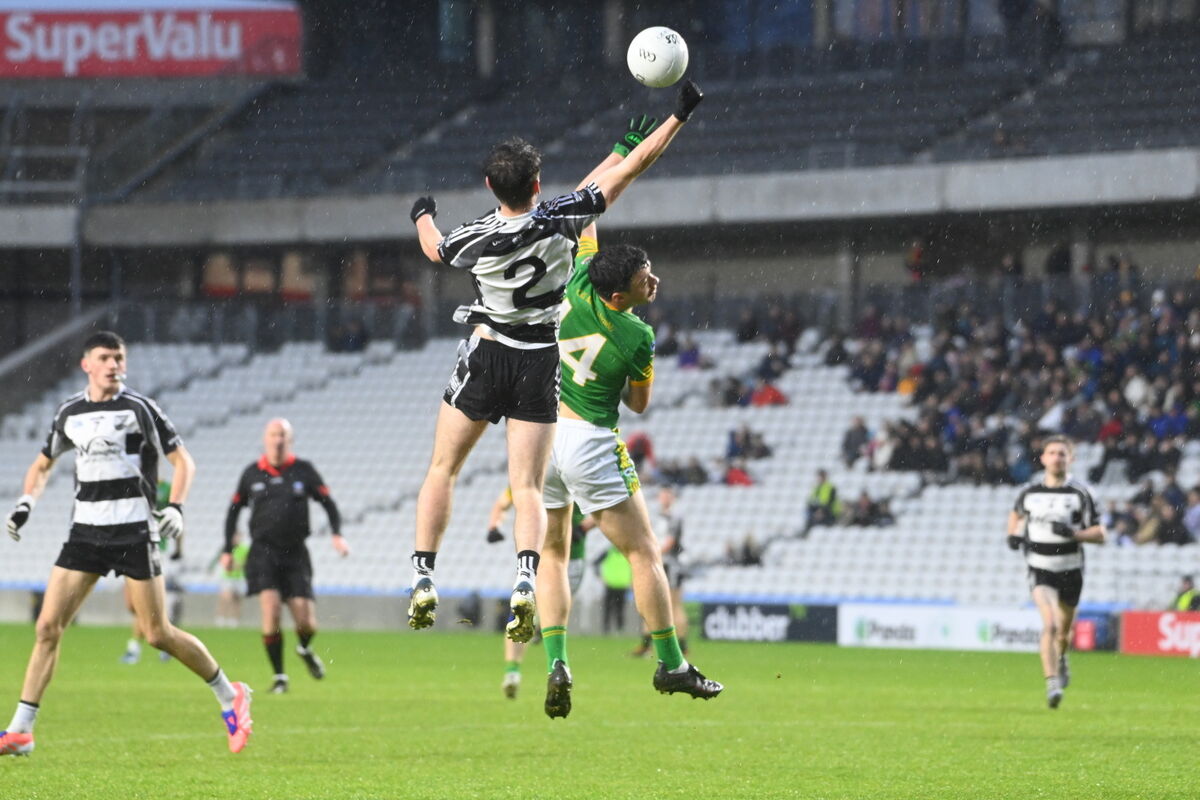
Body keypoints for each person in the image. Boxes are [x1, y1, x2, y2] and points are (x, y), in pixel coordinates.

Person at [405, 80, 705, 644]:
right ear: (539, 185)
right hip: (538, 361)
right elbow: (623, 175)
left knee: (443, 468)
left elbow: (434, 246)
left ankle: (423, 574)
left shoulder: (475, 238)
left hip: (487, 351)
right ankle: (524, 579)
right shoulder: (560, 220)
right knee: (527, 484)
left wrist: (422, 213)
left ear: (492, 186)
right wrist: (676, 117)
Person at [1, 331, 252, 756]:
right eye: (106, 357)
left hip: (134, 531)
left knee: (157, 633)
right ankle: (21, 729)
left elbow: (182, 461)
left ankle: (231, 696)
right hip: (85, 532)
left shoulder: (139, 407)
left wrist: (177, 507)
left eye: (120, 357)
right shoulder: (70, 413)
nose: (115, 364)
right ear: (87, 365)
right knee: (47, 627)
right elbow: (42, 464)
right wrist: (27, 501)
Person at [537, 220, 723, 719]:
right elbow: (639, 405)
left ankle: (557, 662)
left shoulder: (577, 282)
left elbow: (587, 220)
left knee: (552, 554)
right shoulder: (636, 333)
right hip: (590, 441)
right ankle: (672, 664)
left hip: (541, 436)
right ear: (619, 296)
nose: (654, 281)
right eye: (645, 280)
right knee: (644, 553)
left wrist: (613, 165)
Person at [223, 418, 350, 694]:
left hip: (296, 553)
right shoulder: (251, 474)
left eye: (283, 435)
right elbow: (233, 511)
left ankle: (304, 648)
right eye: (273, 434)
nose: (278, 439)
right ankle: (280, 677)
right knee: (270, 612)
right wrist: (227, 549)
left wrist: (337, 534)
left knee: (306, 622)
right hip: (263, 553)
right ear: (265, 438)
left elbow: (329, 503)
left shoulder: (303, 471)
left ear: (289, 440)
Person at [1007, 435, 1106, 710]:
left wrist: (1075, 534)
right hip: (1040, 568)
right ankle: (1052, 683)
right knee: (1049, 624)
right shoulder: (1030, 492)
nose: (1057, 458)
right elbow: (1015, 514)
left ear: (1070, 459)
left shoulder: (1080, 493)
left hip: (1071, 569)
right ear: (1043, 459)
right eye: (1052, 453)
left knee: (1063, 632)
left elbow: (1101, 533)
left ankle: (1062, 657)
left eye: (1062, 453)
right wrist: (1012, 535)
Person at [485, 486, 592, 699]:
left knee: (535, 614)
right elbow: (501, 504)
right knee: (524, 612)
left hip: (569, 560)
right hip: (540, 559)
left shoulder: (570, 474)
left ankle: (526, 651)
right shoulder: (529, 475)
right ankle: (514, 671)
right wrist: (494, 526)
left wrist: (585, 527)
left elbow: (603, 509)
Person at [632, 486, 689, 658]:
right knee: (649, 602)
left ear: (672, 497)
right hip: (655, 561)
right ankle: (646, 645)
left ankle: (682, 645)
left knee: (673, 605)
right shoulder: (655, 516)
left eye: (668, 494)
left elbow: (670, 542)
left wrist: (651, 553)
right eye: (662, 494)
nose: (664, 498)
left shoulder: (674, 517)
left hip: (669, 564)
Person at [214, 534, 250, 628]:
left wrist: (238, 564)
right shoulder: (227, 548)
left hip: (240, 577)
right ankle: (221, 619)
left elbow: (247, 562)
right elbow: (223, 561)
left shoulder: (244, 549)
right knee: (226, 598)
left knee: (237, 599)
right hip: (228, 577)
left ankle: (234, 620)